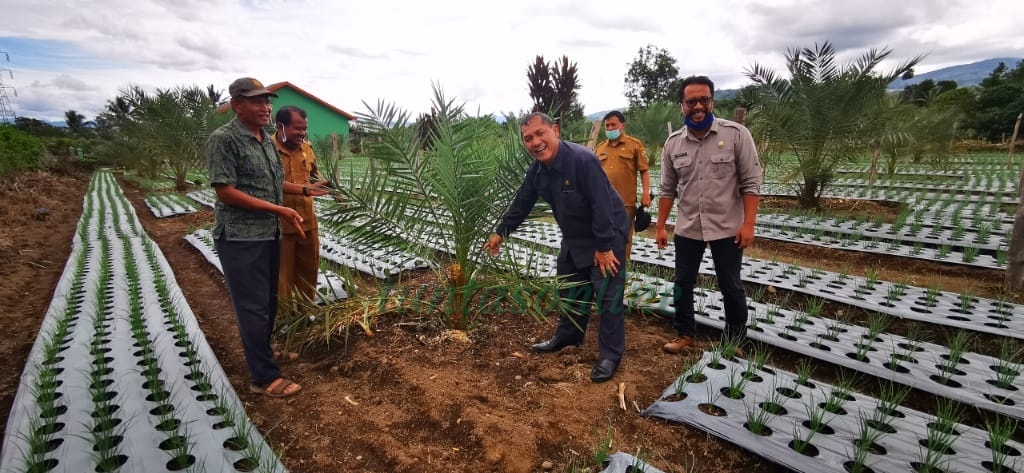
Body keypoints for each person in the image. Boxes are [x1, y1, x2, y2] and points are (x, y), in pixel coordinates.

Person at [483, 112, 630, 383]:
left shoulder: (581, 160)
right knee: (571, 286)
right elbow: (523, 202)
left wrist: (605, 247)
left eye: (540, 134)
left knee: (607, 295)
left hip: (606, 234)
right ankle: (569, 336)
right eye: (528, 138)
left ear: (555, 130)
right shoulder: (537, 171)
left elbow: (603, 205)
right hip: (575, 237)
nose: (535, 142)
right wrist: (501, 232)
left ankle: (610, 355)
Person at [206, 77, 304, 398]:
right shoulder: (225, 140)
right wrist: (280, 211)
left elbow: (276, 183)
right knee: (252, 307)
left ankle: (264, 351)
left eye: (267, 101)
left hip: (268, 234)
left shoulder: (264, 139)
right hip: (240, 237)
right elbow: (226, 191)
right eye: (256, 101)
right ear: (237, 104)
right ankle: (263, 377)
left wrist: (304, 190)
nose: (265, 107)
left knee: (269, 301)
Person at [655, 75, 762, 354]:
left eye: (704, 99)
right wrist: (661, 226)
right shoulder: (673, 143)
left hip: (727, 227)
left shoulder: (736, 134)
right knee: (682, 282)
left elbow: (751, 183)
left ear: (712, 101)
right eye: (692, 101)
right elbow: (667, 189)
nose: (698, 106)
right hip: (689, 226)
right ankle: (684, 335)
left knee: (730, 284)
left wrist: (748, 224)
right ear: (682, 106)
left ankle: (735, 340)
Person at [273, 106, 329, 308]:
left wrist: (333, 188)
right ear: (281, 126)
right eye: (297, 128)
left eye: (304, 128)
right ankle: (287, 318)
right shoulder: (267, 150)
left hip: (308, 222)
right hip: (281, 225)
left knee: (309, 270)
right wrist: (304, 190)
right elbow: (269, 183)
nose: (302, 133)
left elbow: (314, 175)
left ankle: (305, 313)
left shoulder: (307, 148)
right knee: (283, 275)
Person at [594, 110, 651, 258]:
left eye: (613, 125)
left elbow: (644, 171)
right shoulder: (600, 147)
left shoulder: (634, 145)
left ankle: (622, 270)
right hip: (602, 202)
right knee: (602, 236)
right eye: (607, 126)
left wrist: (646, 194)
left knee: (623, 239)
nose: (610, 128)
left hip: (625, 203)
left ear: (622, 126)